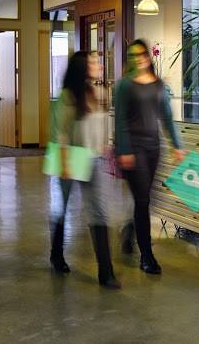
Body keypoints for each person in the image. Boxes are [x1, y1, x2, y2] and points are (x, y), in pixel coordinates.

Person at [50, 51, 121, 289]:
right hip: (70, 157)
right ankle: (56, 255)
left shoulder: (100, 93)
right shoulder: (67, 96)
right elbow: (61, 133)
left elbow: (103, 126)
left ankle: (106, 272)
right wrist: (64, 164)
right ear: (82, 67)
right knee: (61, 208)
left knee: (99, 211)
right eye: (93, 62)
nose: (98, 65)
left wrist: (106, 147)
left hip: (94, 159)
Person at [115, 39, 184, 275]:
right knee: (143, 200)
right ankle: (146, 256)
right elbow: (120, 120)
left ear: (148, 56)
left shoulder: (158, 85)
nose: (138, 59)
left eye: (141, 54)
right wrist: (124, 150)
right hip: (132, 149)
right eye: (133, 55)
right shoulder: (124, 86)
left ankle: (130, 230)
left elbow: (166, 117)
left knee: (145, 199)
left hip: (154, 148)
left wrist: (176, 145)